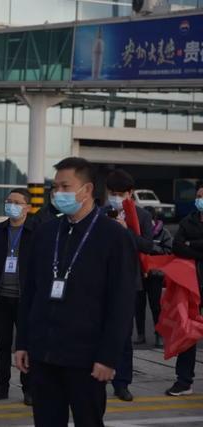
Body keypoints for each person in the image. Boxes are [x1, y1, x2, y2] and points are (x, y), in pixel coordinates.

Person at [15, 157, 137, 427]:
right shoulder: (46, 232)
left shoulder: (114, 237)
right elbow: (31, 292)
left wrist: (108, 357)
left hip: (87, 359)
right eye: (55, 187)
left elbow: (121, 303)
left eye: (65, 186)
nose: (58, 193)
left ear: (87, 189)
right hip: (43, 355)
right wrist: (22, 342)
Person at [0, 188, 34, 406]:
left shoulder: (36, 231)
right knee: (2, 344)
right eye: (9, 201)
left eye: (17, 202)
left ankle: (29, 389)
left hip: (26, 299)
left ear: (28, 207)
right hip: (0, 297)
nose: (11, 205)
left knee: (27, 344)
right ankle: (1, 387)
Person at [105, 169, 154, 402]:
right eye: (112, 193)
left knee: (123, 335)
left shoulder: (142, 216)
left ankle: (122, 382)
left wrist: (126, 231)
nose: (116, 198)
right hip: (101, 281)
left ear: (130, 193)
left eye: (120, 194)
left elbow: (147, 245)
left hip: (128, 282)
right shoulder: (101, 213)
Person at [166, 183, 203, 397]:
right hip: (191, 285)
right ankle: (183, 381)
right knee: (187, 332)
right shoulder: (188, 220)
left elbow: (186, 246)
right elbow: (177, 246)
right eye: (198, 195)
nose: (199, 200)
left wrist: (192, 244)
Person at [137, 206, 172, 349]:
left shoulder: (163, 233)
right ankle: (140, 334)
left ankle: (159, 334)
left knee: (156, 306)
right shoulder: (137, 231)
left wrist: (151, 247)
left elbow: (169, 251)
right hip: (139, 274)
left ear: (154, 219)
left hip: (155, 275)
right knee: (138, 306)